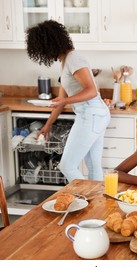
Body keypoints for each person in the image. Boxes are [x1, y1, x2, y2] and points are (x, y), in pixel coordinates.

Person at [25, 20, 110, 182]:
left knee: (67, 166)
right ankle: (97, 202)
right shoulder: (66, 62)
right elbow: (62, 100)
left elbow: (91, 90)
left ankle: (86, 199)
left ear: (49, 44)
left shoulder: (74, 59)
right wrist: (48, 125)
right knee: (93, 166)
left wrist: (67, 100)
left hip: (91, 115)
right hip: (96, 115)